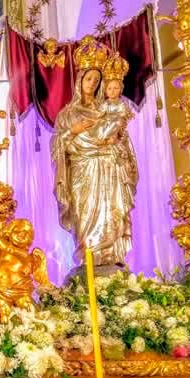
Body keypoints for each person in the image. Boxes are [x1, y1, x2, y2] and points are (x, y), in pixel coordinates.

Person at [51, 36, 137, 267]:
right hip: (82, 172)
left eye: (96, 80)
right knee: (85, 218)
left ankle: (111, 259)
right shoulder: (67, 115)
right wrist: (73, 131)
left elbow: (120, 139)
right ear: (79, 80)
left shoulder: (106, 109)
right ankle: (88, 261)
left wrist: (115, 142)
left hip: (108, 169)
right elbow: (58, 146)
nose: (91, 84)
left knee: (112, 214)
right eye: (88, 78)